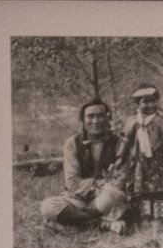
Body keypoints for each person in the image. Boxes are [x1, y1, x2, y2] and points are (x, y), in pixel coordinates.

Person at [38, 98, 126, 232]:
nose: (95, 121)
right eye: (90, 116)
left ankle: (66, 225)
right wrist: (99, 183)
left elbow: (120, 179)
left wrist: (104, 187)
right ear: (83, 120)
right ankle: (100, 223)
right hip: (77, 199)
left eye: (100, 116)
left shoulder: (118, 142)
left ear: (108, 119)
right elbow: (72, 182)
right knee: (47, 206)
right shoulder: (72, 143)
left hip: (104, 198)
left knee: (114, 193)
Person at [114, 85, 163, 232]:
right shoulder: (133, 122)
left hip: (159, 165)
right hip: (140, 165)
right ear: (138, 104)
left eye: (153, 101)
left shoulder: (161, 122)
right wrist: (120, 158)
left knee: (159, 192)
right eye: (145, 102)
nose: (149, 105)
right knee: (143, 193)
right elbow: (125, 141)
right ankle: (146, 218)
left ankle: (159, 219)